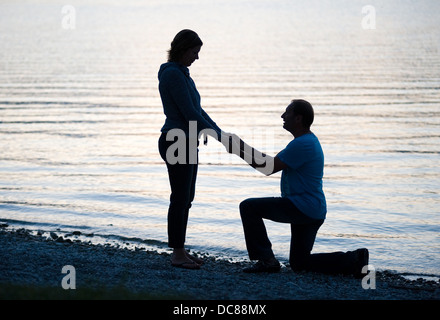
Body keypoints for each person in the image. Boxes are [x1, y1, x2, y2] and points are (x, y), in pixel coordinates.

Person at [228, 99, 369, 278]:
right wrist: (240, 146)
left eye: (287, 113)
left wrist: (239, 148)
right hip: (312, 210)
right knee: (299, 263)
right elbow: (269, 162)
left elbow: (267, 167)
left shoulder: (303, 144)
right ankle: (355, 259)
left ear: (298, 118)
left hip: (302, 206)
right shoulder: (304, 141)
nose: (282, 116)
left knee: (248, 207)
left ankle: (267, 261)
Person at [158, 29, 230, 269]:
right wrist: (218, 135)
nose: (196, 57)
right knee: (180, 198)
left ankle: (180, 250)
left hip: (186, 140)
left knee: (187, 198)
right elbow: (189, 113)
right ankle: (177, 254)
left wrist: (218, 131)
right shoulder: (173, 75)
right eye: (194, 52)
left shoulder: (182, 74)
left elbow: (197, 112)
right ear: (183, 48)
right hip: (177, 140)